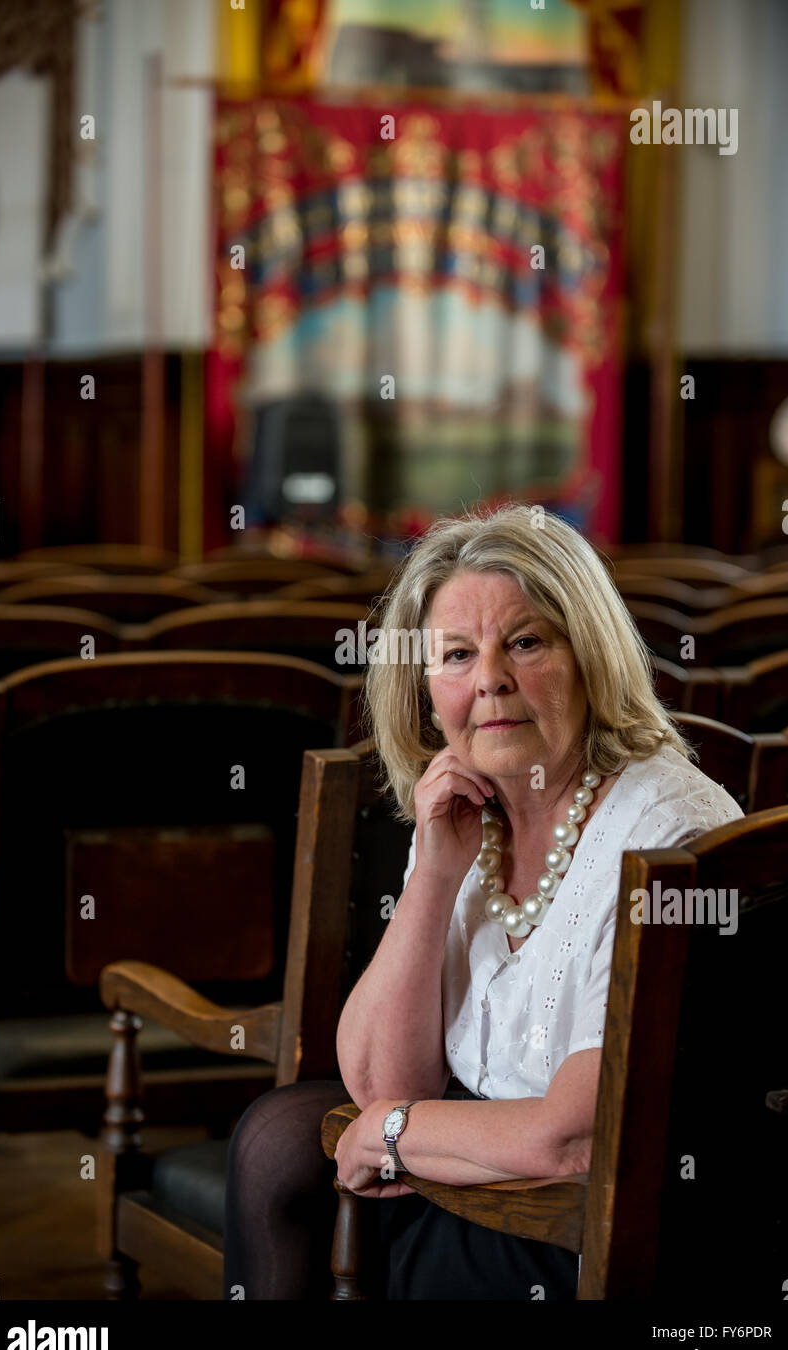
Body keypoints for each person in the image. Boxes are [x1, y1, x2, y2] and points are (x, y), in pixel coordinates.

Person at [224, 504, 743, 1300]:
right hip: (504, 1157)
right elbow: (379, 1077)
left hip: (610, 1216)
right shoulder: (474, 805)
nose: (489, 679)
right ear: (427, 689)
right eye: (457, 654)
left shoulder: (664, 828)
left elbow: (577, 1136)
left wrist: (394, 1133)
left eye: (526, 643)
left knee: (340, 1200)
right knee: (280, 1143)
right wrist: (433, 873)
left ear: (590, 657)